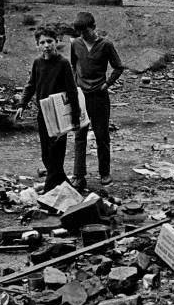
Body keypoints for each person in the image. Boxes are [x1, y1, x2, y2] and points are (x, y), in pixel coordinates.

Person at [15, 25, 80, 191]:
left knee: (57, 151)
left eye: (49, 41)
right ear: (37, 45)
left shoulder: (63, 63)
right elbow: (31, 85)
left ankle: (50, 188)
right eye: (42, 42)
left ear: (56, 42)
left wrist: (75, 115)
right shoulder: (37, 63)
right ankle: (62, 182)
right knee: (46, 152)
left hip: (60, 114)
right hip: (43, 113)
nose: (46, 45)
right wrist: (22, 104)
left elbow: (72, 91)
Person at [70, 11, 124, 189]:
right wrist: (74, 87)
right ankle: (78, 175)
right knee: (80, 136)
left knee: (102, 136)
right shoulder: (75, 44)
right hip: (81, 97)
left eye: (86, 31)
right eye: (80, 32)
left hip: (99, 97)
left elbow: (118, 67)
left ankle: (104, 173)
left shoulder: (106, 45)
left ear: (93, 27)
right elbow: (73, 65)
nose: (83, 35)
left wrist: (107, 84)